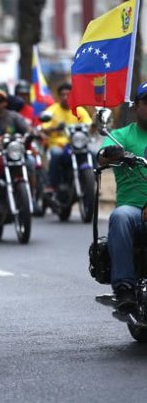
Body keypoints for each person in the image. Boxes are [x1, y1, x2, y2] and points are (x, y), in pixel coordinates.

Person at [97, 82, 147, 310]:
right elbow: (101, 156)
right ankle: (124, 287)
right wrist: (111, 153)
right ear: (136, 106)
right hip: (135, 209)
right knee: (120, 217)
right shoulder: (121, 136)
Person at [41, 82, 92, 194]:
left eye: (68, 95)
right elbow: (44, 128)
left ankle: (91, 183)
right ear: (58, 96)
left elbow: (89, 123)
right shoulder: (51, 110)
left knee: (92, 153)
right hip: (57, 145)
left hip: (75, 144)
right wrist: (55, 128)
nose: (65, 97)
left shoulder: (79, 110)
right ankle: (52, 185)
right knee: (56, 154)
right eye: (62, 95)